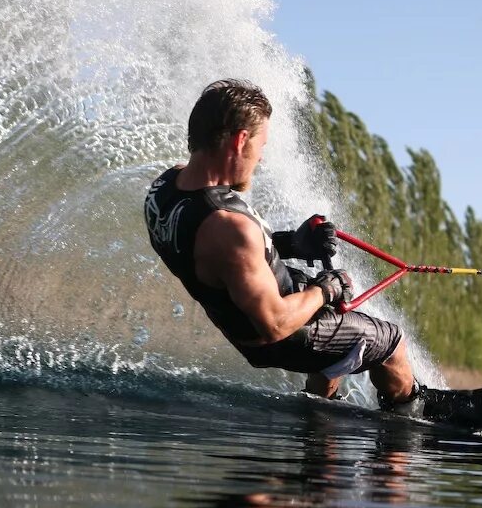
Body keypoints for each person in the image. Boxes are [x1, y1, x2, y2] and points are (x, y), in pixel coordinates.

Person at [144, 79, 419, 407]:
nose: (260, 158)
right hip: (283, 334)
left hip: (248, 314)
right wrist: (325, 290)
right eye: (262, 145)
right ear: (240, 140)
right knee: (390, 341)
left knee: (339, 332)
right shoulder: (227, 227)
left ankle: (318, 414)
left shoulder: (166, 188)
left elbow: (221, 260)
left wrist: (293, 244)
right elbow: (275, 323)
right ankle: (410, 419)